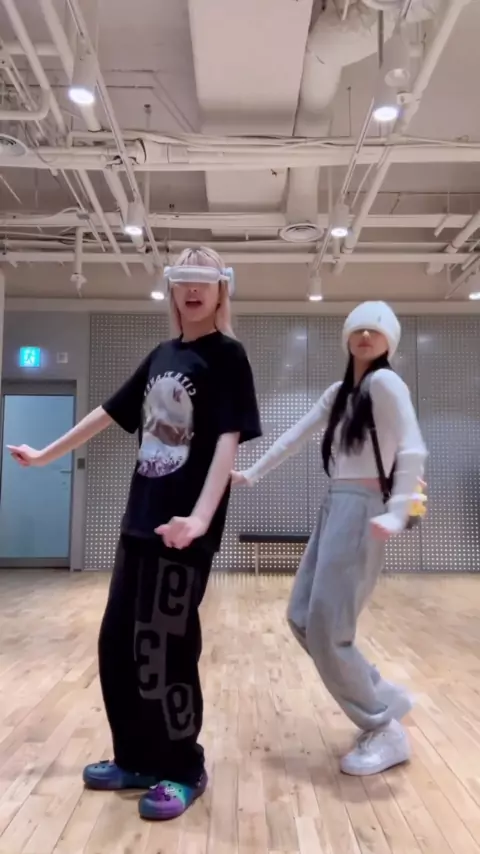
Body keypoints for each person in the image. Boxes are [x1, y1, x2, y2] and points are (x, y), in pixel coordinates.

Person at [8, 247, 261, 820]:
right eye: (183, 280)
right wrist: (46, 454)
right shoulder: (161, 355)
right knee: (119, 645)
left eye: (204, 281)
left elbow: (227, 441)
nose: (192, 290)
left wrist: (201, 519)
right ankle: (137, 759)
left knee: (166, 651)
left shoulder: (228, 355)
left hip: (183, 532)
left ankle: (183, 768)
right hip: (139, 523)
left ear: (221, 290)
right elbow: (107, 413)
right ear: (171, 289)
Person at [232, 301, 427, 776]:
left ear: (389, 342)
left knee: (328, 628)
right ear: (347, 337)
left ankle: (382, 724)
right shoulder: (340, 393)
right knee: (302, 617)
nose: (366, 336)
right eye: (358, 329)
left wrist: (398, 510)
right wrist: (253, 473)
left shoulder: (386, 383)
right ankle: (379, 694)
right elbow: (294, 436)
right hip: (336, 503)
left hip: (364, 508)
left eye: (376, 331)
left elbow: (412, 446)